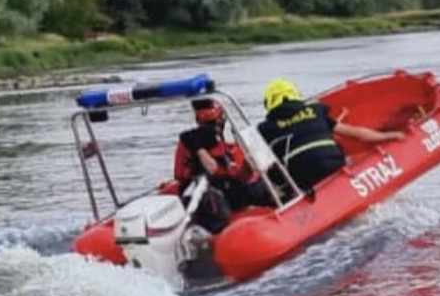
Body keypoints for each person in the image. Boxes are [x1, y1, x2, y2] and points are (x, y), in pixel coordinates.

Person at [257, 78, 405, 190]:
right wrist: (390, 136)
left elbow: (255, 164)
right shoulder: (315, 111)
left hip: (302, 178)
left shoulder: (265, 128)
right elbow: (357, 134)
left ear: (268, 103)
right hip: (333, 166)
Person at [173, 98, 270, 231]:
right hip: (205, 194)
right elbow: (189, 138)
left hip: (224, 188)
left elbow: (235, 174)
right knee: (217, 205)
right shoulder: (198, 139)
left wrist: (247, 166)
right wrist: (201, 152)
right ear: (219, 118)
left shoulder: (216, 142)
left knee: (262, 188)